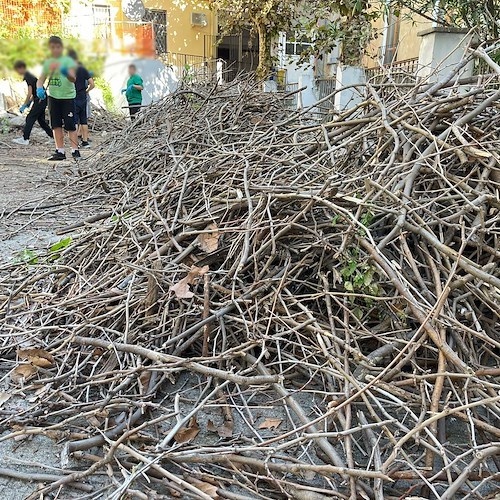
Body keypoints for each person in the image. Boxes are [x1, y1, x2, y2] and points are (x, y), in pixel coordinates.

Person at [36, 36, 80, 161]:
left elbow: (73, 78)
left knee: (70, 124)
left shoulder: (68, 61)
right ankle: (60, 151)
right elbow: (41, 79)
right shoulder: (48, 63)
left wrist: (64, 71)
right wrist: (39, 89)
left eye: (58, 47)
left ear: (62, 48)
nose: (55, 50)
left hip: (68, 97)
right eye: (52, 48)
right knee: (55, 125)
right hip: (53, 97)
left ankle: (75, 150)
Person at [11, 60, 53, 146]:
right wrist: (30, 103)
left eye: (17, 70)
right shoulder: (30, 76)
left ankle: (25, 139)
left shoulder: (28, 77)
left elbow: (30, 93)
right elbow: (34, 92)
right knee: (41, 121)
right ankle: (53, 137)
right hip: (41, 99)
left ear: (21, 68)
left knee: (30, 118)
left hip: (40, 100)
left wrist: (25, 104)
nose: (17, 72)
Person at [67, 49, 94, 148]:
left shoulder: (69, 70)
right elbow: (92, 84)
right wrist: (87, 91)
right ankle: (85, 141)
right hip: (83, 97)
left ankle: (75, 143)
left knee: (74, 120)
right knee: (83, 120)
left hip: (73, 96)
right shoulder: (83, 69)